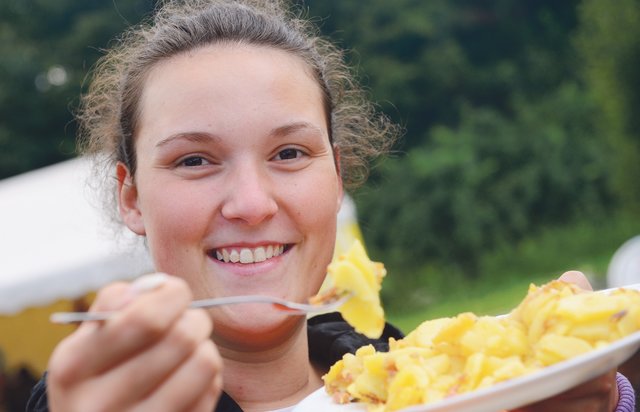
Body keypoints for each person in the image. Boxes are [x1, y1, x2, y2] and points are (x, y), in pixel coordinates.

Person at [26, 1, 634, 411]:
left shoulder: (411, 372)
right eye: (194, 161)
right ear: (131, 196)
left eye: (289, 153)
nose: (251, 203)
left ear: (337, 175)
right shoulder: (96, 399)